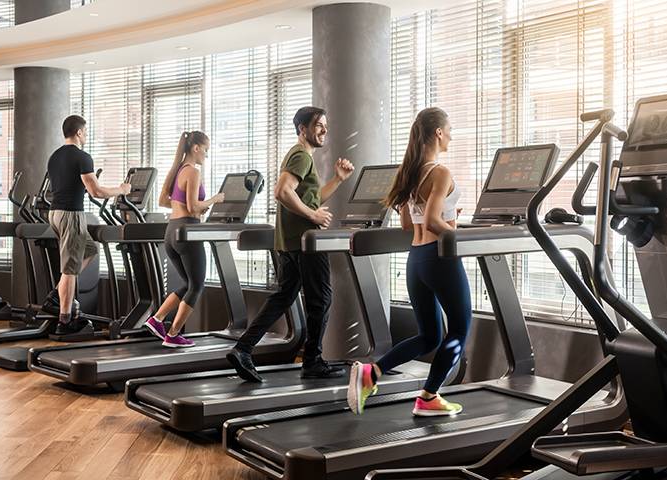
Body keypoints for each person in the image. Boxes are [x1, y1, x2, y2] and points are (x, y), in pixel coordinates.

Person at [347, 107, 471, 417]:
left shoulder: (410, 172)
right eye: (450, 129)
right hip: (440, 259)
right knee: (458, 331)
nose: (452, 136)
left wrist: (448, 218)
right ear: (438, 132)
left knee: (429, 336)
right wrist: (464, 238)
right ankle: (429, 396)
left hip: (416, 261)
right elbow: (431, 221)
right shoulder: (440, 172)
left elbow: (408, 224)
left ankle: (372, 373)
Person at [226, 106, 354, 382]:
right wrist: (312, 216)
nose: (323, 130)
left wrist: (337, 180)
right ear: (302, 129)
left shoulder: (301, 157)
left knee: (283, 297)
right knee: (321, 299)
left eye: (325, 126)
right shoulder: (300, 155)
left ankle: (243, 349)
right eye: (318, 125)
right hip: (306, 243)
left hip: (290, 242)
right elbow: (282, 192)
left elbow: (309, 198)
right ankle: (313, 361)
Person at [46, 115, 132, 335]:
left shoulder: (54, 157)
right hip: (70, 214)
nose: (86, 135)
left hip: (55, 213)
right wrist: (121, 190)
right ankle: (65, 322)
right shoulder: (82, 157)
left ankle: (57, 294)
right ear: (79, 133)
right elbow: (96, 191)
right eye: (86, 131)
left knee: (89, 250)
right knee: (70, 269)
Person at [143, 131, 225, 347]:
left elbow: (164, 201)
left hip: (171, 231)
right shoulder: (193, 172)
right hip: (188, 232)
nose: (206, 155)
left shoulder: (176, 170)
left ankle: (157, 318)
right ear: (196, 148)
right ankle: (173, 334)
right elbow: (192, 206)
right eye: (205, 150)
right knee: (197, 286)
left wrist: (194, 208)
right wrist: (214, 199)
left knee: (188, 283)